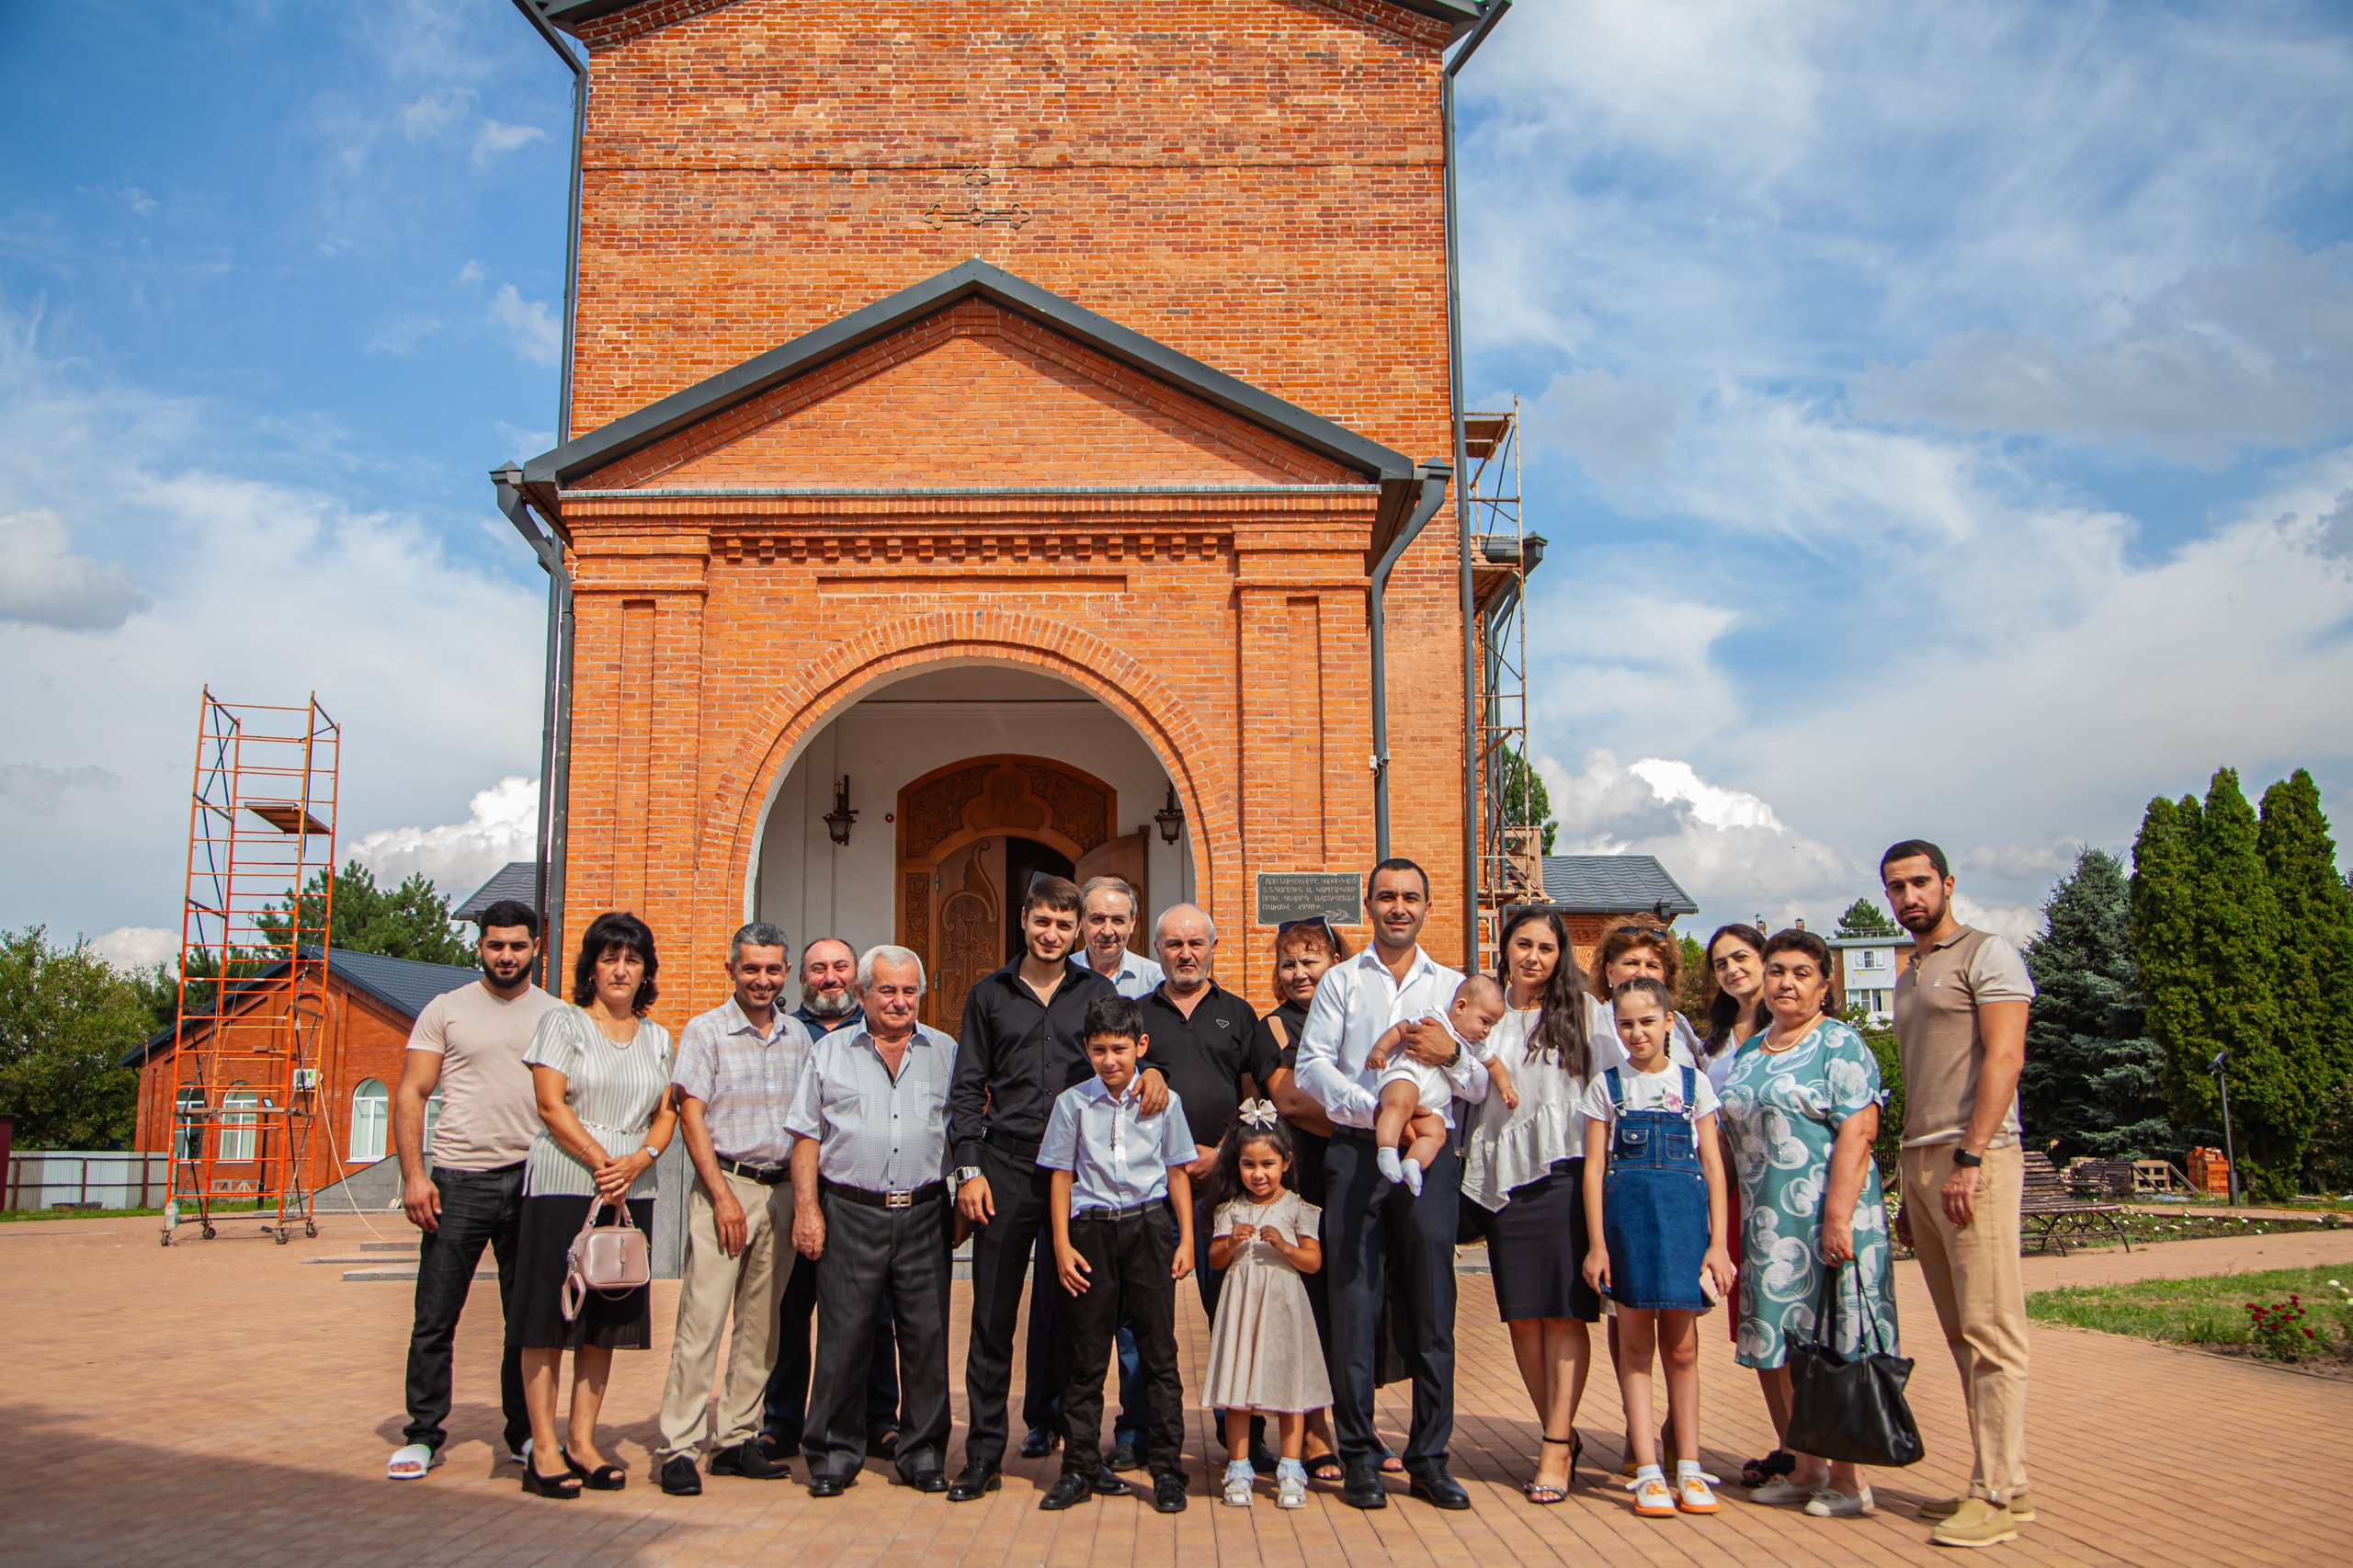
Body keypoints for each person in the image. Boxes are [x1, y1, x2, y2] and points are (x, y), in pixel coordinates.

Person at [946, 874, 1171, 1502]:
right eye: (1042, 921)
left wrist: (1153, 1071)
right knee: (992, 1316)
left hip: (1083, 1173)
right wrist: (968, 1168)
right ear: (1024, 920)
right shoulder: (988, 995)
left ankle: (1083, 1457)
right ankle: (984, 1456)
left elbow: (1126, 1053)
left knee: (1085, 1318)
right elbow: (966, 1088)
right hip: (1009, 1169)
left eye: (1063, 925)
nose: (1052, 934)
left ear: (1076, 933)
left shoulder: (1096, 992)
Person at [1295, 858, 1490, 1512]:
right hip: (1356, 1154)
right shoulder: (1341, 982)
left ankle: (1430, 1457)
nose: (1398, 907)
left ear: (1426, 907)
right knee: (1354, 1304)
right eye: (1386, 897)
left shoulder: (1457, 986)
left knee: (1434, 1308)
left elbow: (1484, 1083)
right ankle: (1358, 1455)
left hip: (1430, 1163)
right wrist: (1374, 1111)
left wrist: (1453, 1055)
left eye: (1410, 897)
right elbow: (1312, 1067)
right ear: (1369, 906)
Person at [1883, 840, 2036, 1549]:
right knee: (1957, 1330)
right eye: (1896, 888)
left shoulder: (1988, 954)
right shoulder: (1910, 973)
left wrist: (1970, 1157)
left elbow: (2005, 1056)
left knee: (1991, 1328)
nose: (1909, 896)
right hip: (1922, 1160)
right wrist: (1913, 1185)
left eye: (1919, 883)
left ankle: (1997, 1494)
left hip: (1976, 1156)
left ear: (1947, 883)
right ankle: (2002, 1480)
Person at [1716, 927, 1897, 1520]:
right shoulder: (1750, 1050)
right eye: (1776, 972)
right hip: (1771, 1227)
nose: (1785, 983)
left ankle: (1848, 1480)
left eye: (1800, 973)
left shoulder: (1839, 1045)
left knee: (1837, 1346)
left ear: (1825, 983)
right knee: (1793, 1349)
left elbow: (1859, 1130)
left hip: (1828, 1220)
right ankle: (1806, 1465)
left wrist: (1838, 1220)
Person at [386, 901, 561, 1482]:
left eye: (516, 945)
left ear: (536, 946)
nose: (505, 955)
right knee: (435, 1316)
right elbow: (411, 1092)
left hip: (534, 1181)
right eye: (495, 945)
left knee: (527, 1319)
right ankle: (423, 1433)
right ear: (480, 946)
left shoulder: (559, 1015)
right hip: (458, 1181)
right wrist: (415, 1174)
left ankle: (524, 1434)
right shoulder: (445, 1010)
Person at [510, 912, 678, 1499]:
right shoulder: (565, 1022)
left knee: (604, 1318)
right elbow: (550, 1104)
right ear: (591, 967)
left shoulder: (659, 1038)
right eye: (609, 958)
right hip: (565, 1179)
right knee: (550, 1315)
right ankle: (545, 1449)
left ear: (645, 971)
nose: (620, 969)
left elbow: (667, 1111)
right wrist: (602, 1159)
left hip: (632, 1189)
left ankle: (583, 1442)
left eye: (631, 959)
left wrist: (639, 1160)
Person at [786, 945, 961, 1496]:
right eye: (886, 989)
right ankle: (834, 1455)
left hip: (925, 1211)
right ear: (862, 994)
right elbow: (806, 1135)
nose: (899, 1000)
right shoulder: (829, 1053)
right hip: (850, 1213)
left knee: (926, 1339)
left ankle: (924, 1452)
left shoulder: (946, 1052)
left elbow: (964, 1130)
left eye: (909, 990)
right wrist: (808, 1209)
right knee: (843, 1337)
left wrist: (965, 1195)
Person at [653, 922, 809, 1496]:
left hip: (782, 1191)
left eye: (772, 969)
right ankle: (679, 1444)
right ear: (731, 970)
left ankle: (738, 1438)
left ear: (785, 973)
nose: (762, 979)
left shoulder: (798, 1037)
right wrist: (719, 1195)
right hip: (728, 1186)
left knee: (761, 1325)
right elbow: (691, 1116)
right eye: (751, 968)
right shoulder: (706, 1031)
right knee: (702, 1319)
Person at [1579, 976, 1736, 1521]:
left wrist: (1718, 1243)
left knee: (1684, 1349)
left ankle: (1688, 1466)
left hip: (1685, 1228)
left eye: (1647, 1021)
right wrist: (1597, 1246)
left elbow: (1713, 1166)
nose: (1637, 1033)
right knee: (1635, 1349)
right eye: (1626, 1024)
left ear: (1670, 1022)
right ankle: (1647, 1469)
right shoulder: (1606, 1086)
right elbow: (1595, 1169)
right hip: (1627, 1230)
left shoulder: (1694, 1085)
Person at [1458, 906, 1597, 1506]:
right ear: (1506, 947)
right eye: (1523, 944)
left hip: (1564, 1171)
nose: (1533, 956)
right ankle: (1557, 1429)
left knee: (1563, 1313)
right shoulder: (1485, 1012)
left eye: (1545, 946)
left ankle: (1556, 1444)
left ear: (1559, 954)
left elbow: (1634, 1073)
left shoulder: (1584, 1014)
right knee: (1522, 1317)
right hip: (1504, 1179)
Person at [1039, 994, 1195, 1515]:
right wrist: (1061, 1244)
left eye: (1121, 1049)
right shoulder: (1072, 1104)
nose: (1110, 1060)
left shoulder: (1163, 1102)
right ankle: (1080, 1466)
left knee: (1158, 1352)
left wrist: (1186, 1238)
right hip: (1091, 1233)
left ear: (1140, 1047)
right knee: (1086, 1355)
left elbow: (1177, 1171)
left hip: (1148, 1229)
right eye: (1100, 1049)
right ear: (1086, 1048)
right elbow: (1061, 1174)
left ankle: (1168, 1469)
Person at [1134, 903, 1270, 1468]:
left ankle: (1244, 1435)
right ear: (1158, 950)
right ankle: (1140, 1431)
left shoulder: (1239, 1016)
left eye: (1195, 943)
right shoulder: (1136, 1014)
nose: (1185, 953)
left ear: (1213, 948)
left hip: (1223, 1191)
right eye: (1172, 944)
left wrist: (1223, 1154)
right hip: (1151, 1192)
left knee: (1234, 1314)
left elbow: (1259, 1104)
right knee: (1143, 1319)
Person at [760, 935, 900, 1462]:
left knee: (875, 1313)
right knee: (793, 1310)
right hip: (798, 1190)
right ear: (802, 978)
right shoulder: (789, 1033)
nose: (830, 978)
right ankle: (782, 1421)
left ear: (858, 982)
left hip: (863, 1195)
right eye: (819, 969)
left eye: (840, 967)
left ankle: (880, 1418)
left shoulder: (881, 1033)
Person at [1253, 916, 1348, 1481]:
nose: (1299, 972)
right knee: (1308, 1304)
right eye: (1289, 962)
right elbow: (1290, 1103)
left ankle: (1355, 1422)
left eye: (1310, 960)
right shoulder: (1275, 1029)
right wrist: (1371, 1125)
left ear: (1335, 962)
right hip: (1305, 1180)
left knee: (1353, 1303)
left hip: (1357, 1178)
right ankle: (1313, 1428)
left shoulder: (1355, 1019)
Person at [1199, 1104, 1330, 1509]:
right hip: (1242, 1307)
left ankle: (1292, 1467)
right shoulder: (1229, 1209)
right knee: (1239, 1390)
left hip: (1284, 1307)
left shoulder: (1297, 1207)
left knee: (1288, 1386)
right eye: (1248, 1164)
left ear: (1286, 1162)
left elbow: (1313, 1261)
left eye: (1268, 1164)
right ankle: (1239, 1467)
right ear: (1236, 1165)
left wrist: (1284, 1245)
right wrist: (1232, 1241)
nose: (1258, 1173)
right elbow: (1216, 1260)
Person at [1700, 923, 1791, 1489]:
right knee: (1756, 1323)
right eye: (1720, 964)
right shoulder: (1714, 1040)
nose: (1733, 970)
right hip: (1735, 1193)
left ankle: (1814, 1446)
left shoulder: (1788, 1028)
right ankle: (1789, 1444)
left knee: (1794, 1320)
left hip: (1784, 1190)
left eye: (1742, 958)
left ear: (1764, 961)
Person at [1368, 974, 1507, 1194]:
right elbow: (1399, 1030)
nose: (1487, 1030)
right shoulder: (1433, 1017)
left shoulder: (1475, 1046)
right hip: (1409, 1076)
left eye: (1492, 1024)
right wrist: (1379, 1049)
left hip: (1435, 1102)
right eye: (1485, 1021)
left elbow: (1494, 1065)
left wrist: (1506, 1088)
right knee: (1399, 1105)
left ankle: (1413, 1164)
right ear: (1461, 1006)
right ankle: (1387, 1148)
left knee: (1436, 1134)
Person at [1080, 875, 1165, 997]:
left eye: (1118, 920)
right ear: (1081, 921)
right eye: (1097, 919)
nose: (1107, 931)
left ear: (1132, 923)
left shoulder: (1156, 980)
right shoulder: (1061, 976)